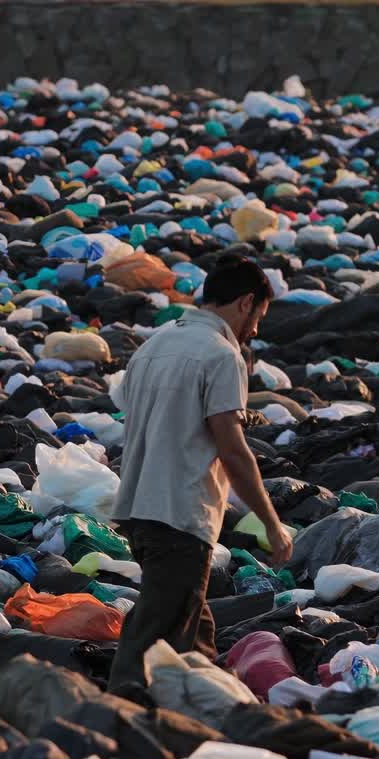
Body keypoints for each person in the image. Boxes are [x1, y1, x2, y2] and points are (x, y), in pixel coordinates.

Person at [108, 254, 294, 691]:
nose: (256, 330)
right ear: (246, 302)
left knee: (193, 627)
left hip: (138, 507)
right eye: (259, 316)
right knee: (152, 630)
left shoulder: (153, 345)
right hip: (181, 513)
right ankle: (114, 712)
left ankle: (221, 702)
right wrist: (272, 524)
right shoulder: (222, 355)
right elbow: (232, 448)